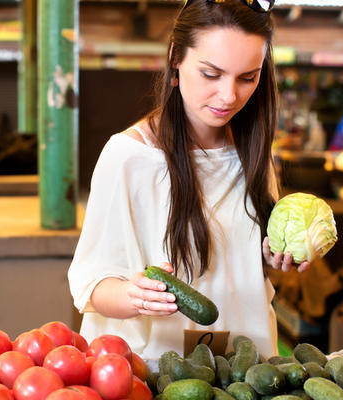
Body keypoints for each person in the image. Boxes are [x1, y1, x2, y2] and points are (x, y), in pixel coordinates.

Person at [68, 0, 308, 360]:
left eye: (248, 78)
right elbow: (90, 284)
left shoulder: (253, 151)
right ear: (175, 58)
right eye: (211, 74)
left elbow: (246, 259)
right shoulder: (129, 157)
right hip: (154, 372)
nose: (229, 96)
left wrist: (277, 254)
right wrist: (134, 296)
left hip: (246, 368)